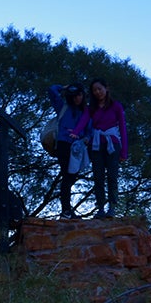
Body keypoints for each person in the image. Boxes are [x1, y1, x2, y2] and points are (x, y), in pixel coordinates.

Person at [72, 78, 128, 218]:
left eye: (100, 89)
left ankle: (112, 207)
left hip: (112, 143)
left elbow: (122, 128)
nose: (97, 92)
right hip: (96, 144)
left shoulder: (116, 106)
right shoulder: (91, 108)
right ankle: (101, 208)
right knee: (98, 176)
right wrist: (76, 132)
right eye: (94, 90)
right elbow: (84, 120)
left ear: (106, 88)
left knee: (112, 176)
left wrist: (124, 151)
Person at [46, 82, 87, 218]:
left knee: (71, 177)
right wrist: (63, 87)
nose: (77, 98)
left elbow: (89, 132)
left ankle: (67, 210)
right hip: (63, 144)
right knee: (66, 177)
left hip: (77, 149)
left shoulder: (84, 112)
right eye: (74, 95)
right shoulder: (63, 107)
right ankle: (66, 211)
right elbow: (52, 90)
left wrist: (78, 134)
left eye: (79, 95)